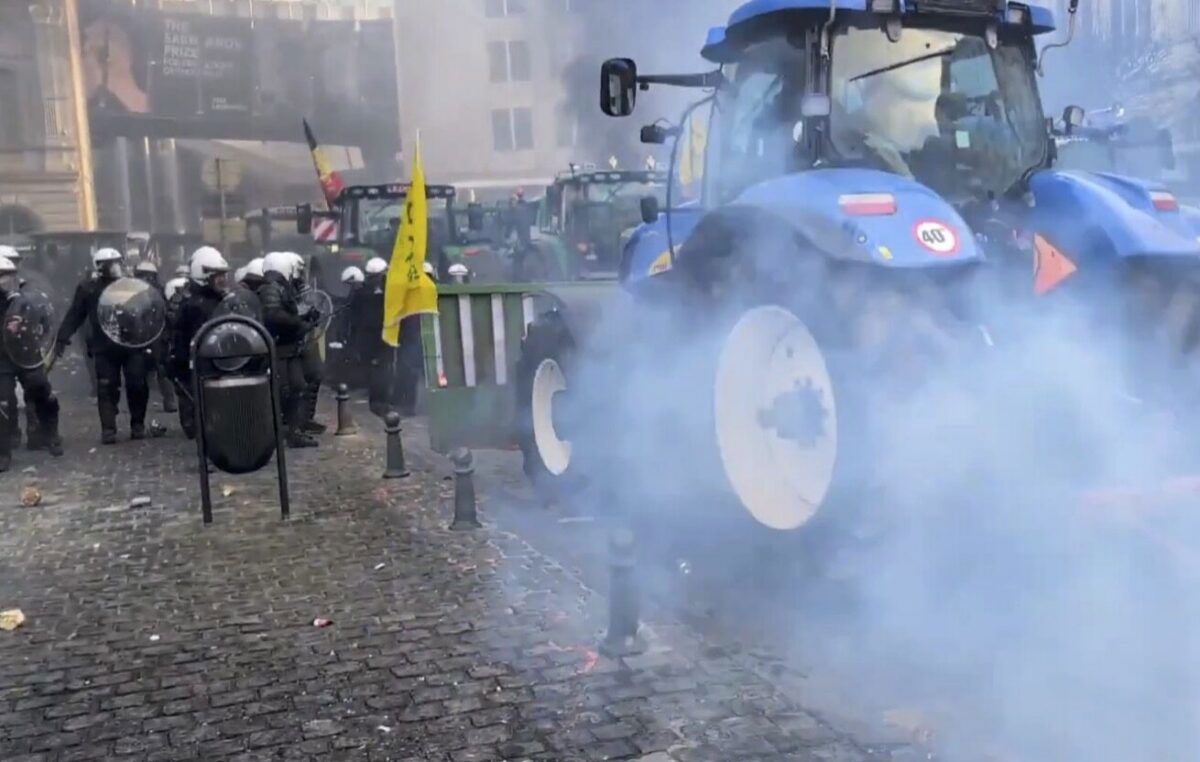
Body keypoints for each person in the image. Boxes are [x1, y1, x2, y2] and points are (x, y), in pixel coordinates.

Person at [54, 247, 152, 444]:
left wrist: (152, 339)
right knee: (107, 386)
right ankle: (108, 428)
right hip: (104, 346)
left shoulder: (132, 286)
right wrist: (62, 338)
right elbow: (75, 314)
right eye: (110, 264)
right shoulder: (88, 288)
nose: (115, 268)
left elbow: (148, 310)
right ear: (99, 267)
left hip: (132, 343)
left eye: (117, 262)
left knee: (137, 383)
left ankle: (138, 423)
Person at [0, 254, 62, 471]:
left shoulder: (27, 297)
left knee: (41, 391)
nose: (4, 281)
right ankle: (2, 452)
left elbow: (42, 320)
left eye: (7, 276)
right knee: (3, 401)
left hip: (27, 353)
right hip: (2, 358)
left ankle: (50, 434)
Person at [170, 247, 231, 439]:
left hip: (216, 358)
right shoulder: (191, 303)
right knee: (193, 402)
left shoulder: (220, 299)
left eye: (223, 275)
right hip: (193, 360)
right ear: (203, 276)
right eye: (217, 276)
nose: (222, 280)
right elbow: (180, 333)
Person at [260, 251, 319, 447]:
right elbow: (274, 315)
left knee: (297, 388)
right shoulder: (272, 288)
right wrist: (299, 324)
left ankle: (295, 432)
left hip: (288, 347)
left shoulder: (279, 287)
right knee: (281, 392)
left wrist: (305, 319)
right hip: (280, 348)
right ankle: (277, 433)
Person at [134, 260, 178, 414]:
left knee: (162, 367)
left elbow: (167, 312)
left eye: (149, 276)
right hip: (139, 335)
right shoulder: (131, 293)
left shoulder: (160, 292)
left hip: (158, 334)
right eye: (142, 276)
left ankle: (169, 399)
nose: (146, 280)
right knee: (138, 370)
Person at [289, 253, 326, 435]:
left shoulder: (299, 287)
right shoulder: (282, 290)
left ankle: (306, 418)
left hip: (304, 338)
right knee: (297, 385)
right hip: (292, 343)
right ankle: (295, 422)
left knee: (314, 376)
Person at [352, 257, 392, 417]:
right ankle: (379, 402)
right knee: (380, 370)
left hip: (370, 337)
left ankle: (379, 401)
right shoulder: (383, 293)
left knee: (377, 369)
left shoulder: (361, 292)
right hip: (378, 337)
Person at [332, 266, 365, 388]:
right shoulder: (357, 292)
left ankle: (354, 383)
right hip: (355, 329)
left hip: (358, 329)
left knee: (353, 356)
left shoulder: (360, 293)